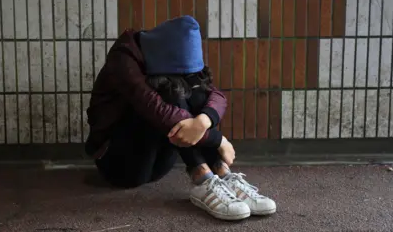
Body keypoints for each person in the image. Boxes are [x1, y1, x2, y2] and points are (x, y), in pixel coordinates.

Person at [85, 15, 276, 221]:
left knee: (195, 90)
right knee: (170, 93)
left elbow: (214, 94)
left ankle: (221, 173)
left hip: (158, 162)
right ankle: (203, 178)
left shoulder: (172, 47)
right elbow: (155, 109)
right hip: (120, 164)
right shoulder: (123, 59)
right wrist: (218, 139)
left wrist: (203, 121)